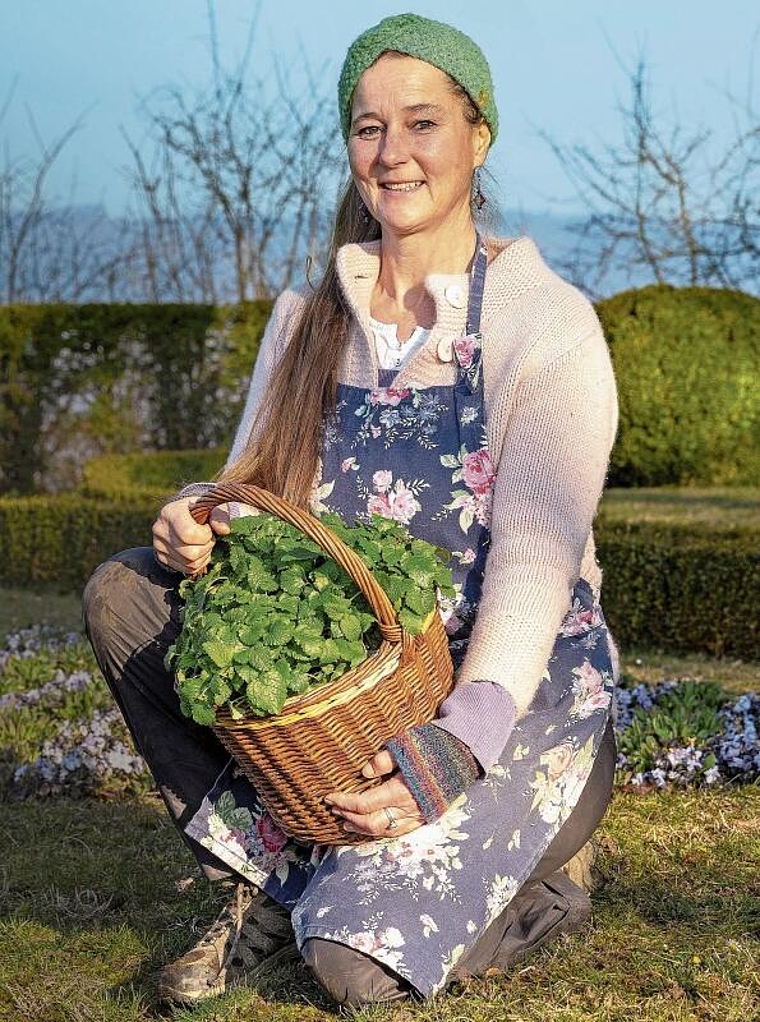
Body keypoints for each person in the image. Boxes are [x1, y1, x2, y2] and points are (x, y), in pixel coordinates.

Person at [83, 11, 621, 1010]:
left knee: (352, 969)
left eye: (422, 123)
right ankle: (270, 874)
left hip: (510, 699)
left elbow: (533, 565)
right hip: (346, 705)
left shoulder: (540, 323)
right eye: (369, 128)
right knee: (125, 592)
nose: (393, 152)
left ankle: (540, 887)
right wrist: (192, 517)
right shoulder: (308, 323)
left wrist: (454, 744)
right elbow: (251, 490)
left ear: (478, 135)